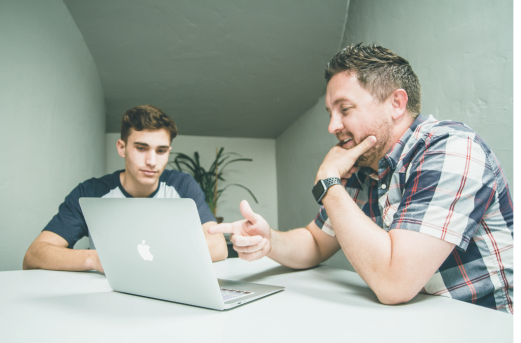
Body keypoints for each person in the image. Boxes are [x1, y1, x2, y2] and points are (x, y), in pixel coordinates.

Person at [209, 43, 514, 314]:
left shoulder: (451, 149)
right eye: (330, 112)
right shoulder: (365, 166)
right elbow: (316, 242)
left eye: (345, 109)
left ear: (396, 103)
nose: (332, 126)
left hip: (485, 327)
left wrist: (329, 182)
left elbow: (395, 284)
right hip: (416, 322)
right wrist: (269, 240)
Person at [24, 105, 228, 272]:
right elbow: (34, 255)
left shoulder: (182, 186)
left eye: (161, 151)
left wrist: (144, 257)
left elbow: (218, 247)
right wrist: (96, 259)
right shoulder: (91, 192)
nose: (151, 161)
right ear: (122, 148)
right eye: (141, 148)